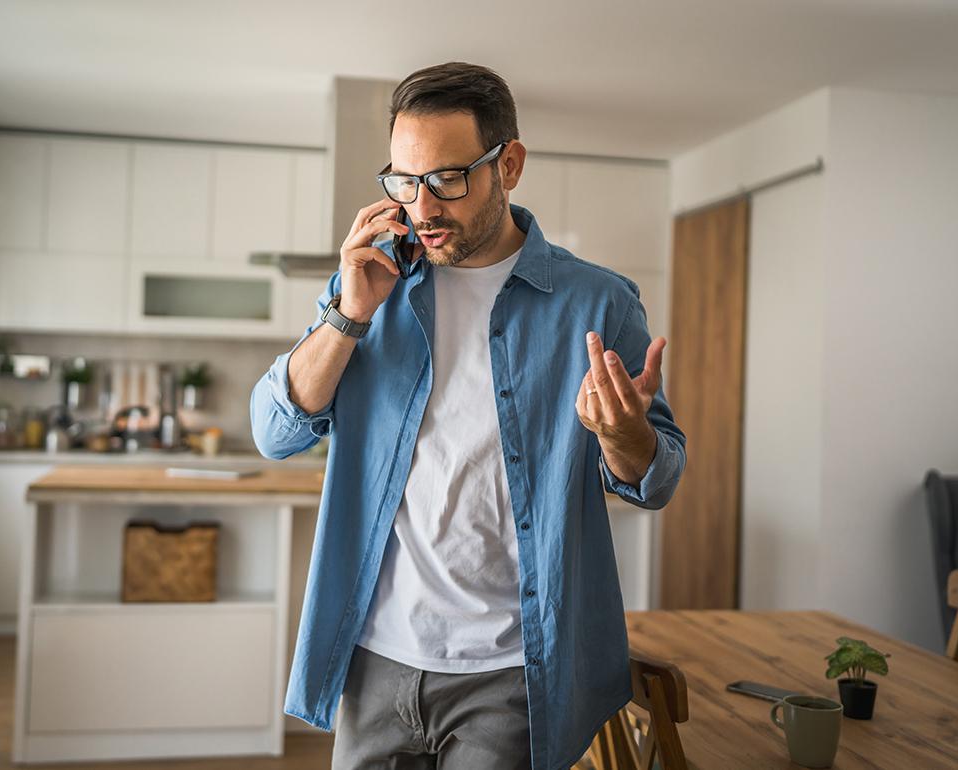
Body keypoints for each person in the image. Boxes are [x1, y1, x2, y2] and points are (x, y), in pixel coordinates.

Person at [251, 62, 686, 770]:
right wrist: (347, 314)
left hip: (510, 674)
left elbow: (658, 477)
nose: (421, 207)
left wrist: (624, 436)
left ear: (508, 165)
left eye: (447, 179)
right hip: (374, 655)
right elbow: (274, 434)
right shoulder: (371, 286)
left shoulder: (599, 305)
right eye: (403, 179)